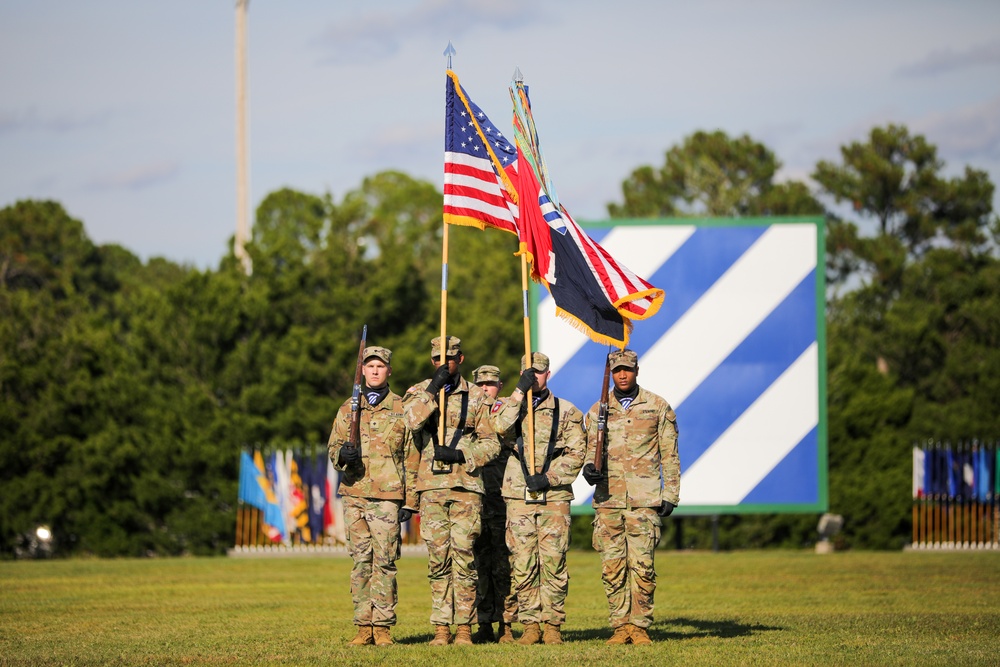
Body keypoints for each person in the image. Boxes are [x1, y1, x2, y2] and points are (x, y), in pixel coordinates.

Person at [403, 336, 501, 646]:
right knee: (438, 560)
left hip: (465, 486)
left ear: (460, 358)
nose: (443, 363)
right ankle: (441, 628)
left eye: (449, 358)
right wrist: (433, 388)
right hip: (431, 487)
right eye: (437, 359)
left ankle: (463, 629)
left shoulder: (476, 397)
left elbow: (492, 444)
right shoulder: (419, 392)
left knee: (464, 559)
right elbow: (409, 423)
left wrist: (462, 455)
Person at [581, 348, 680, 645]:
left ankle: (639, 626)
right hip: (608, 500)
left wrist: (670, 493)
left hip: (644, 499)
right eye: (617, 370)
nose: (622, 375)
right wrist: (588, 469)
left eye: (627, 369)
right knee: (612, 566)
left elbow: (670, 454)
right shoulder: (598, 409)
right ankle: (620, 625)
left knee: (642, 566)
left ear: (637, 370)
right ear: (610, 373)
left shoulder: (657, 406)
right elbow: (589, 451)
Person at [491, 352, 586, 645]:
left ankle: (553, 625)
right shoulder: (509, 406)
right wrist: (519, 391)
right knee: (523, 561)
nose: (536, 378)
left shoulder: (567, 411)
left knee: (553, 561)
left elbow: (576, 452)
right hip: (518, 494)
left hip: (554, 496)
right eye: (530, 373)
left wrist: (550, 477)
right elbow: (498, 428)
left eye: (540, 373)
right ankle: (530, 625)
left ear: (549, 374)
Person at [328, 345, 419, 647]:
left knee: (385, 561)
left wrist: (410, 500)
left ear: (389, 370)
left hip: (387, 497)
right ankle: (362, 626)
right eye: (370, 366)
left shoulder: (402, 408)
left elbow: (412, 457)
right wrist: (343, 454)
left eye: (381, 366)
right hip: (354, 494)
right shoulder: (347, 409)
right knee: (360, 562)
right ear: (363, 371)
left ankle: (382, 627)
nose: (375, 370)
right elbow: (332, 451)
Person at [469, 365, 517, 644]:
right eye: (481, 384)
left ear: (500, 385)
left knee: (504, 566)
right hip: (475, 499)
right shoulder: (470, 411)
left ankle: (507, 625)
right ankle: (484, 623)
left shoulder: (506, 412)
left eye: (491, 384)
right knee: (479, 567)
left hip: (502, 499)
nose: (486, 388)